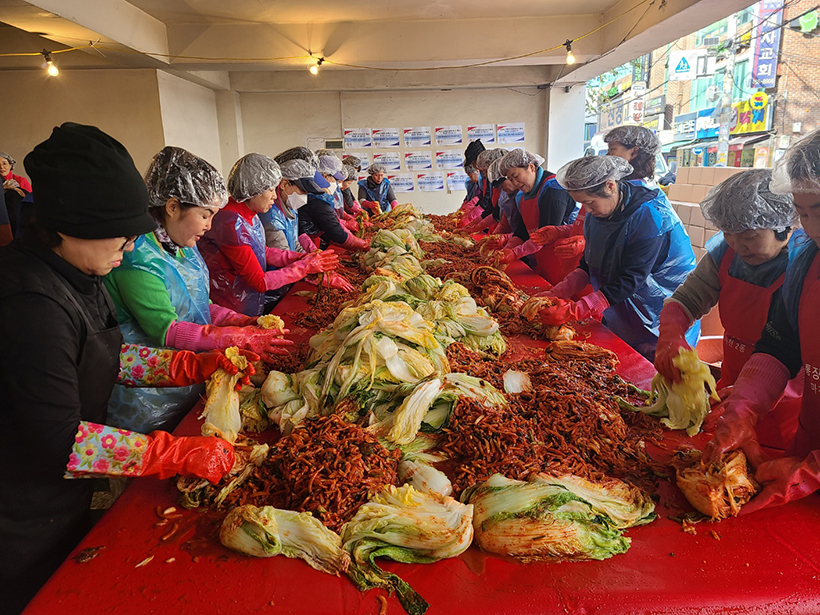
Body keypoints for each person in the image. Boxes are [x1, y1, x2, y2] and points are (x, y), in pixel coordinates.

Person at [0, 123, 242, 613]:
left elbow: (106, 355)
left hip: (63, 497)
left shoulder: (80, 271)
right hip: (19, 509)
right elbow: (61, 441)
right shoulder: (28, 301)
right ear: (71, 223)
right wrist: (171, 453)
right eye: (120, 234)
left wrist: (190, 365)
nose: (131, 248)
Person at [104, 146, 292, 433]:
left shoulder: (181, 244)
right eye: (205, 215)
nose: (209, 225)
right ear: (172, 206)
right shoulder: (137, 256)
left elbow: (198, 307)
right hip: (147, 394)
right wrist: (236, 337)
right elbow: (166, 329)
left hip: (191, 373)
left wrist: (239, 321)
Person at [704, 129, 820, 513]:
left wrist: (814, 471)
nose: (810, 229)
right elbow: (780, 341)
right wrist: (744, 407)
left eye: (818, 210)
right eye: (802, 213)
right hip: (803, 452)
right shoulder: (809, 261)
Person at [655, 170, 802, 451]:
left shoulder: (804, 266)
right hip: (732, 388)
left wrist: (748, 402)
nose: (738, 245)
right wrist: (671, 335)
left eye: (750, 236)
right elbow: (685, 300)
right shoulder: (726, 254)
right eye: (728, 234)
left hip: (786, 405)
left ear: (784, 225)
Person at [526, 155, 699, 360]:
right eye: (582, 204)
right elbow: (589, 264)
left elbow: (631, 278)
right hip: (622, 310)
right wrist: (558, 291)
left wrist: (575, 310)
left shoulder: (650, 215)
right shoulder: (598, 214)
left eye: (590, 203)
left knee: (652, 369)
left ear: (610, 186)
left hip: (657, 315)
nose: (587, 211)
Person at [199, 152, 341, 317]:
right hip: (230, 308)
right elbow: (259, 281)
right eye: (271, 189)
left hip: (248, 302)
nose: (275, 195)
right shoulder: (231, 221)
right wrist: (304, 267)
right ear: (255, 189)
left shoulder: (251, 214)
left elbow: (262, 251)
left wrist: (299, 258)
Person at [526, 125, 665, 278]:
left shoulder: (640, 200)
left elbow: (626, 245)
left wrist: (590, 243)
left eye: (613, 149)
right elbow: (590, 222)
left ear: (634, 151)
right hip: (584, 271)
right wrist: (560, 231)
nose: (607, 155)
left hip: (615, 285)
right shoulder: (603, 187)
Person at [492, 149, 579, 285]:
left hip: (563, 260)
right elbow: (521, 231)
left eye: (516, 176)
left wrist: (515, 254)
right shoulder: (522, 195)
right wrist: (506, 250)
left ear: (531, 167)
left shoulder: (553, 189)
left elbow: (545, 236)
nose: (515, 183)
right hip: (542, 258)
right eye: (510, 179)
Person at [276, 146, 367, 251]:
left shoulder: (290, 203)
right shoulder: (274, 209)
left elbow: (297, 235)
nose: (336, 184)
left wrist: (313, 254)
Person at [1, 151, 32, 237]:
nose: (1, 167)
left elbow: (29, 200)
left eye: (4, 164)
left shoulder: (21, 180)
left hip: (19, 218)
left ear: (10, 165)